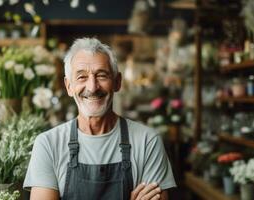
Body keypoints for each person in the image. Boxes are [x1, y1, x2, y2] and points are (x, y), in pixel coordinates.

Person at [23, 38, 176, 200]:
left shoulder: (147, 141)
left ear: (117, 82)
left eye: (101, 75)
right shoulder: (48, 144)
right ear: (69, 86)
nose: (92, 87)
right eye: (82, 77)